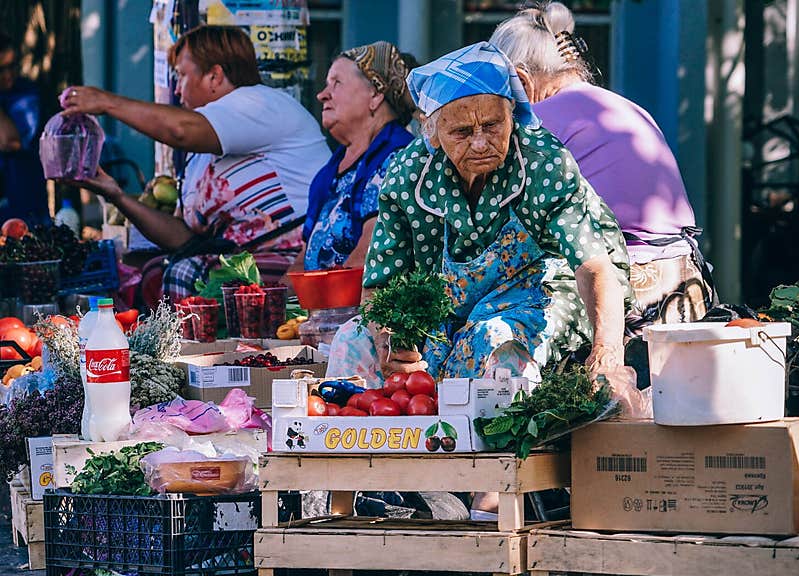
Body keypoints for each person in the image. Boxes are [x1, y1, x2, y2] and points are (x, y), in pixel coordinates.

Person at [327, 41, 633, 395]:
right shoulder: (407, 175)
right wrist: (386, 335)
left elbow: (593, 267)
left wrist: (607, 352)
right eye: (461, 132)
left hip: (541, 294)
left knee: (493, 339)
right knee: (351, 337)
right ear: (433, 131)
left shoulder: (541, 162)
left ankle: (485, 450)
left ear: (512, 117)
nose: (479, 143)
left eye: (492, 125)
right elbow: (379, 285)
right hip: (447, 308)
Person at [490, 2, 714, 340]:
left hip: (630, 292)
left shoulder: (538, 123)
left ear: (520, 79)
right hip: (689, 284)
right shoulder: (627, 107)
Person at [60, 24, 330, 304]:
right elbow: (184, 239)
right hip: (234, 262)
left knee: (184, 272)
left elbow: (181, 131)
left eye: (182, 76)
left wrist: (107, 103)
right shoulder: (201, 157)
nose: (177, 90)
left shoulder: (262, 104)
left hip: (299, 261)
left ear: (214, 76)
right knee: (153, 269)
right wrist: (114, 193)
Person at [291, 41, 417, 272]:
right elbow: (302, 261)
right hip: (321, 305)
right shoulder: (333, 170)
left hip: (354, 305)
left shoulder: (398, 160)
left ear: (376, 94)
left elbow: (367, 257)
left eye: (336, 83)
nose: (321, 95)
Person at [0, 31, 49, 226]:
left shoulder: (25, 95)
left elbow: (10, 141)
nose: (8, 75)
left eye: (12, 67)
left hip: (22, 207)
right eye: (0, 70)